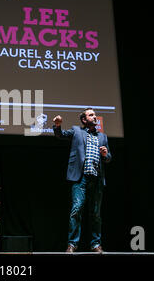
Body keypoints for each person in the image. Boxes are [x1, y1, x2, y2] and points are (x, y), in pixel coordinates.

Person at [52, 108, 112, 253]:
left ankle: (95, 244)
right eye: (91, 115)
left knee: (96, 214)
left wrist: (105, 154)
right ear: (84, 120)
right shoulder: (77, 131)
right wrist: (58, 126)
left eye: (95, 114)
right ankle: (72, 244)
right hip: (80, 178)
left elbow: (109, 158)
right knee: (76, 210)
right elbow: (61, 135)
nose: (94, 116)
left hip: (96, 179)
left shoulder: (103, 137)